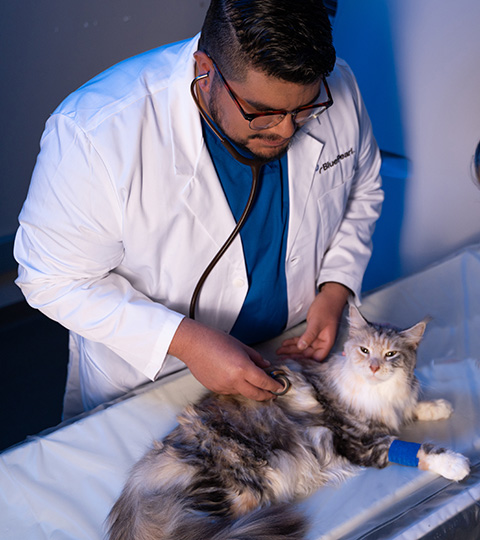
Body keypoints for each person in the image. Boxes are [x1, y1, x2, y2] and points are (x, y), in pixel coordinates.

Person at [14, 0, 383, 419]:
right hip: (156, 382)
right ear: (205, 72)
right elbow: (51, 279)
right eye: (261, 113)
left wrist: (335, 288)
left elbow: (364, 188)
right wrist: (186, 342)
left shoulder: (340, 90)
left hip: (289, 353)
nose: (285, 130)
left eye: (303, 110)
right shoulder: (95, 132)